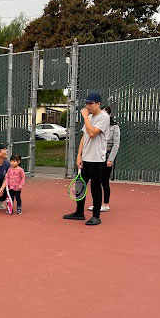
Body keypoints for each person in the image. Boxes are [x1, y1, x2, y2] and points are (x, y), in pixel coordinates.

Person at [63, 92, 110, 225]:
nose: (87, 106)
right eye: (86, 103)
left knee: (95, 187)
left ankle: (96, 216)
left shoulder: (104, 117)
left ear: (98, 104)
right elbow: (85, 137)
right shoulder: (89, 117)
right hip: (86, 158)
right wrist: (79, 156)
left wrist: (85, 117)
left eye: (91, 103)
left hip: (97, 159)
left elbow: (92, 133)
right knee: (80, 185)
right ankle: (79, 212)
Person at [89, 106, 120, 213]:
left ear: (109, 115)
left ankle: (105, 204)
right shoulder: (97, 125)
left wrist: (110, 159)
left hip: (107, 155)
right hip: (97, 155)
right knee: (94, 180)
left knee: (104, 181)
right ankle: (96, 204)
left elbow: (116, 144)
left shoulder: (114, 127)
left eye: (105, 114)